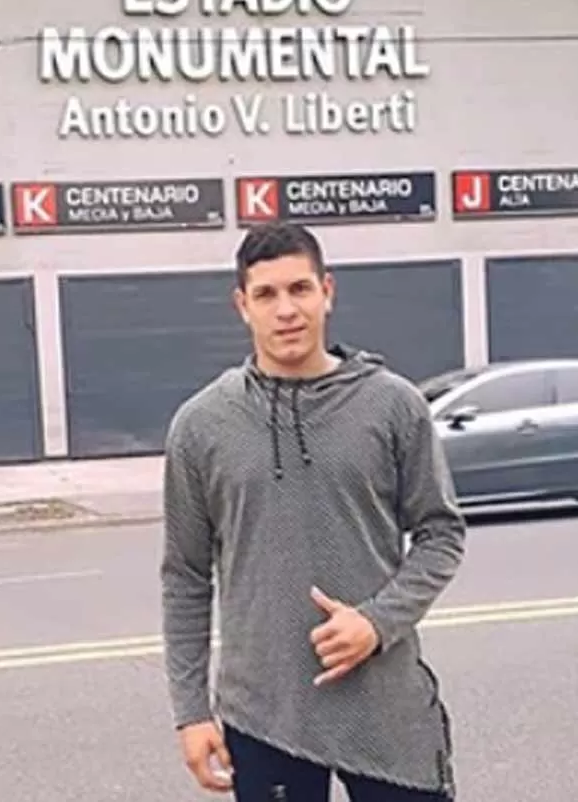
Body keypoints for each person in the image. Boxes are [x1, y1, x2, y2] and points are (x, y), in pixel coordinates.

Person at [159, 220, 468, 801]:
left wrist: (376, 622)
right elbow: (185, 577)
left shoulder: (393, 406)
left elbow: (440, 533)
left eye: (299, 289)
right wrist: (191, 713)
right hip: (265, 715)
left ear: (327, 290)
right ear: (241, 305)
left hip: (383, 704)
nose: (286, 310)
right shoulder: (201, 426)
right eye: (266, 294)